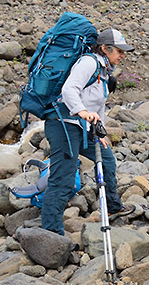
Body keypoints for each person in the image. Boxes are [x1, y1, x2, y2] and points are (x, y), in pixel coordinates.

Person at [42, 28, 136, 235]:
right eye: (119, 51)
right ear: (104, 48)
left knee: (107, 160)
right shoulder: (88, 63)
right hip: (63, 125)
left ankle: (112, 207)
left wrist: (100, 132)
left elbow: (98, 106)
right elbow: (69, 90)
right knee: (62, 180)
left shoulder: (104, 71)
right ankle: (51, 233)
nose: (122, 56)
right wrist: (82, 112)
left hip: (82, 128)